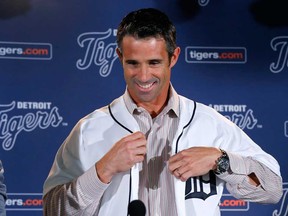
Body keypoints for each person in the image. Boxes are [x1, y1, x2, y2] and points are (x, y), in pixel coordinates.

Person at [43, 8, 283, 216]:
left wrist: (218, 160)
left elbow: (272, 189)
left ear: (174, 57)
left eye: (154, 63)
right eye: (133, 63)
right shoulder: (90, 129)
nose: (144, 76)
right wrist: (102, 170)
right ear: (119, 57)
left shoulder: (209, 123)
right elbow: (53, 211)